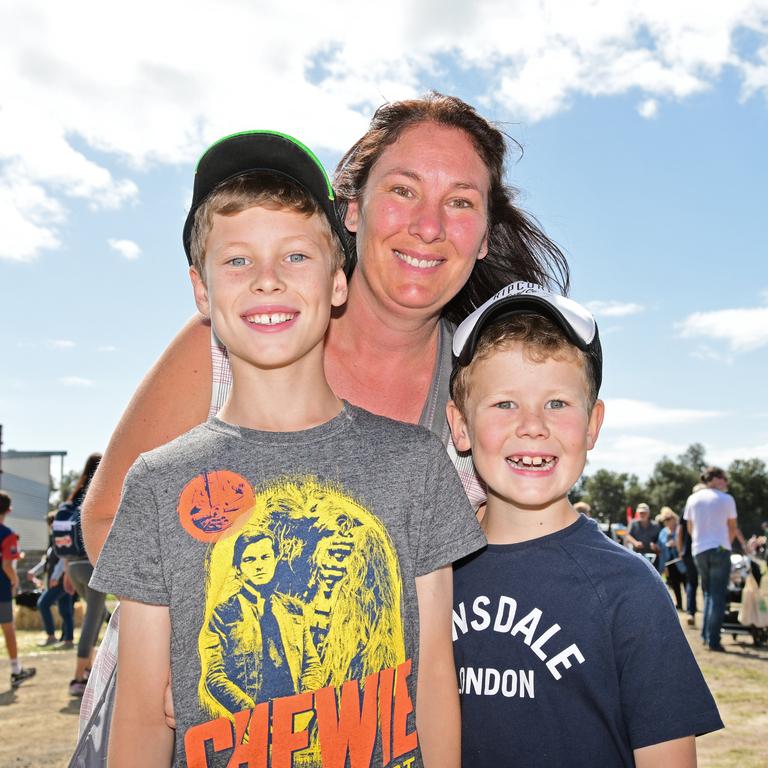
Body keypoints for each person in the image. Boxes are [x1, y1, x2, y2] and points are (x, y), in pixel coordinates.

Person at [91, 130, 486, 768]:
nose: (268, 280)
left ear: (337, 281)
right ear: (201, 292)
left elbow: (434, 680)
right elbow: (139, 719)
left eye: (296, 258)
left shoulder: (417, 463)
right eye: (238, 261)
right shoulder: (159, 482)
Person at [447, 282, 723, 767]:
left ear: (593, 424)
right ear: (460, 425)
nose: (533, 424)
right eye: (504, 403)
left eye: (557, 403)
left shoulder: (630, 589)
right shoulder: (432, 570)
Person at [63, 453, 108, 695]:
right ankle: (77, 678)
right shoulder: (99, 494)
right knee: (92, 621)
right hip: (91, 566)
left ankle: (88, 668)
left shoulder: (72, 499)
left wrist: (65, 573)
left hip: (73, 567)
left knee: (99, 613)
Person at [683, 467, 738, 652]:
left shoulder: (693, 498)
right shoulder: (727, 499)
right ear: (714, 478)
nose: (726, 482)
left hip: (699, 550)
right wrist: (726, 545)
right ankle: (713, 639)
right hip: (720, 548)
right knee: (717, 595)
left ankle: (705, 636)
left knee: (707, 593)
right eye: (724, 478)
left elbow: (689, 528)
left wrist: (700, 543)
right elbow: (732, 527)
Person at [0, 490, 37, 688]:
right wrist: (14, 582)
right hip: (2, 589)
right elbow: (7, 566)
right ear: (9, 509)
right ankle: (16, 671)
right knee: (8, 630)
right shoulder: (8, 534)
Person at [28, 512, 74, 648]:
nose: (51, 528)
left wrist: (55, 577)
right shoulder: (54, 541)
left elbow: (63, 560)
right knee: (65, 611)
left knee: (43, 604)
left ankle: (51, 636)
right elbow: (46, 562)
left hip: (60, 581)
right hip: (61, 581)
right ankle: (68, 641)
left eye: (52, 525)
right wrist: (33, 571)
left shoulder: (62, 539)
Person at [656, 507, 686, 611]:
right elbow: (660, 545)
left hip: (682, 561)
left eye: (669, 518)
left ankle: (691, 606)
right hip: (669, 562)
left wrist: (676, 544)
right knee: (675, 584)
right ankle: (680, 604)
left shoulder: (680, 529)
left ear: (674, 518)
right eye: (665, 519)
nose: (668, 521)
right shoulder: (663, 532)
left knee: (686, 583)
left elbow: (684, 542)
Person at [624, 501, 661, 568]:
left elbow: (660, 539)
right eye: (640, 513)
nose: (642, 514)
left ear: (648, 513)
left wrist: (655, 546)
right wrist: (635, 543)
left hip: (652, 556)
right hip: (637, 555)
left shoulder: (656, 525)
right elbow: (627, 535)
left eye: (644, 513)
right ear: (637, 513)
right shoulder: (633, 523)